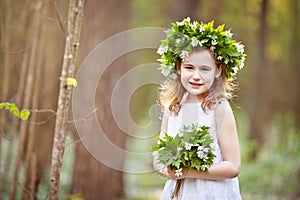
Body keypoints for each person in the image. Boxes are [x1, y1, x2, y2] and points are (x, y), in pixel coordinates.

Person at [153, 17, 246, 199]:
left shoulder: (219, 109)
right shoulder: (173, 108)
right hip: (178, 193)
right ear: (179, 67)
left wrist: (188, 171)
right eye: (189, 67)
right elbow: (159, 157)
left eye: (204, 69)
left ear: (218, 71)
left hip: (210, 193)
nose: (196, 76)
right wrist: (168, 169)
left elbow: (233, 166)